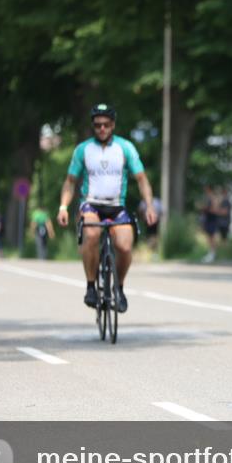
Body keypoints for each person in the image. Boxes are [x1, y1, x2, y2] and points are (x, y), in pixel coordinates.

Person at [57, 103, 157, 313]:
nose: (101, 129)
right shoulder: (83, 149)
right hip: (91, 204)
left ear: (113, 125)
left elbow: (142, 179)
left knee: (125, 246)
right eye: (97, 125)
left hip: (116, 206)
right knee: (91, 235)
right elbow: (70, 181)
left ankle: (118, 288)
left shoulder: (125, 148)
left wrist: (149, 205)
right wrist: (63, 207)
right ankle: (91, 286)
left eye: (106, 125)